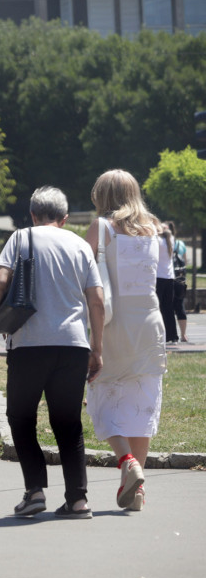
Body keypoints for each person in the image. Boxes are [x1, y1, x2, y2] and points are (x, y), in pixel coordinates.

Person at [0, 187, 105, 519]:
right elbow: (96, 300)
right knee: (68, 422)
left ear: (33, 214)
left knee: (21, 417)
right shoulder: (80, 245)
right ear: (64, 218)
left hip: (30, 344)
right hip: (73, 345)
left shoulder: (21, 238)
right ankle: (78, 500)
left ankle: (35, 490)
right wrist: (97, 348)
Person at [84, 169, 167, 512]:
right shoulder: (153, 229)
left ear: (101, 195)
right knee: (142, 402)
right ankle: (138, 491)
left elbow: (83, 275)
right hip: (149, 324)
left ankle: (127, 462)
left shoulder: (101, 228)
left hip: (112, 323)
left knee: (101, 396)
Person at [155, 221, 178, 343]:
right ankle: (172, 335)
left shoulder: (158, 241)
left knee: (158, 307)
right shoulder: (171, 239)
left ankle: (160, 334)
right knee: (169, 308)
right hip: (169, 277)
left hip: (159, 277)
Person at [168, 222, 189, 342]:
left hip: (167, 278)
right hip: (180, 280)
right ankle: (183, 334)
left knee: (167, 307)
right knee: (180, 306)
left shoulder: (163, 242)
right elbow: (185, 261)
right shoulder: (180, 244)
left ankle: (170, 334)